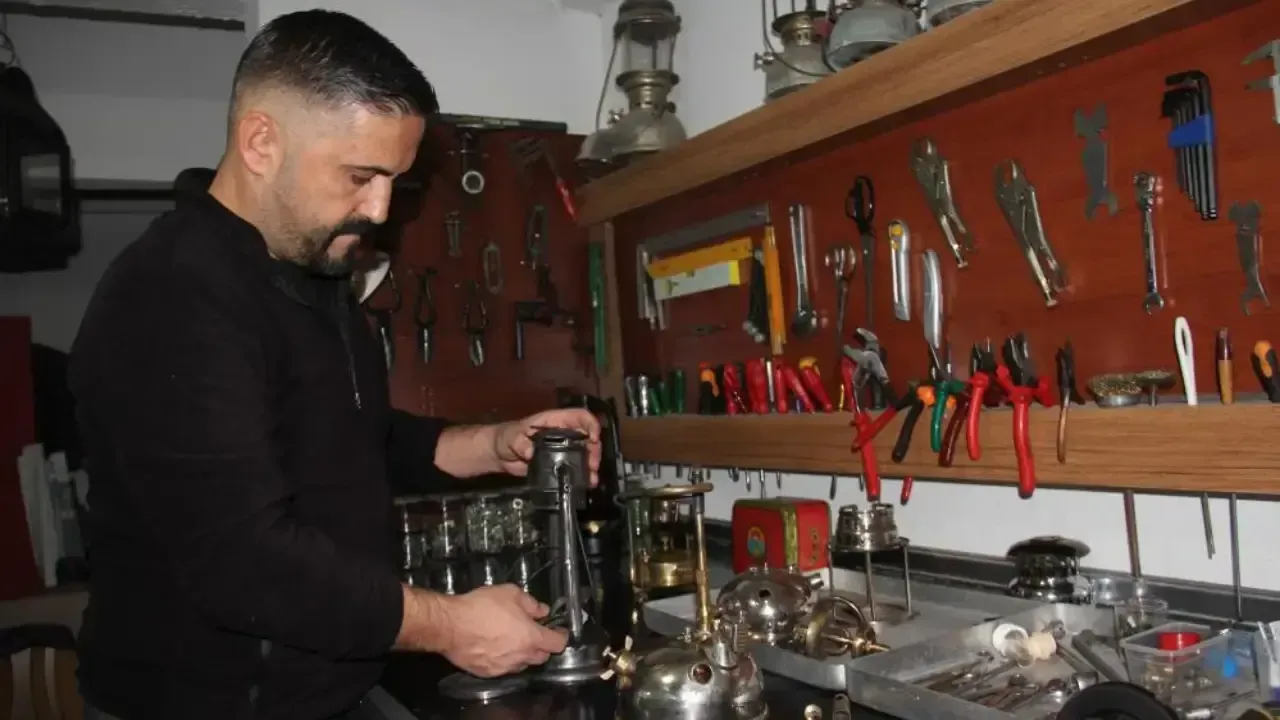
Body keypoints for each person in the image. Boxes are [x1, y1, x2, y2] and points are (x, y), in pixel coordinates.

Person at [68, 10, 601, 720]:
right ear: (261, 142)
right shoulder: (172, 295)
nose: (378, 209)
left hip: (330, 687)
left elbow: (358, 438)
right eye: (360, 175)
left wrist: (492, 443)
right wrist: (452, 624)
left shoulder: (313, 278)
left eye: (393, 181)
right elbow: (244, 564)